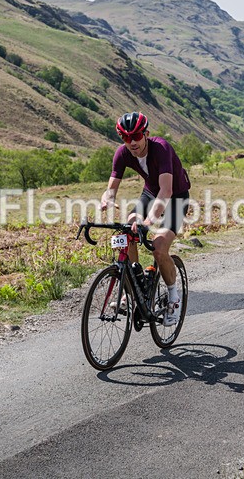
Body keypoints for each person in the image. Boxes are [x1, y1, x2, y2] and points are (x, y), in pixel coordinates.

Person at [100, 111, 191, 326]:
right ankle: (135, 287)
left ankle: (173, 297)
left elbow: (166, 191)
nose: (131, 142)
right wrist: (107, 199)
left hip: (176, 196)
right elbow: (111, 189)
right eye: (125, 137)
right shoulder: (122, 154)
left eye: (136, 136)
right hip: (150, 193)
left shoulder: (161, 148)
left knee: (159, 248)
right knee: (128, 229)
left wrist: (149, 220)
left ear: (146, 134)